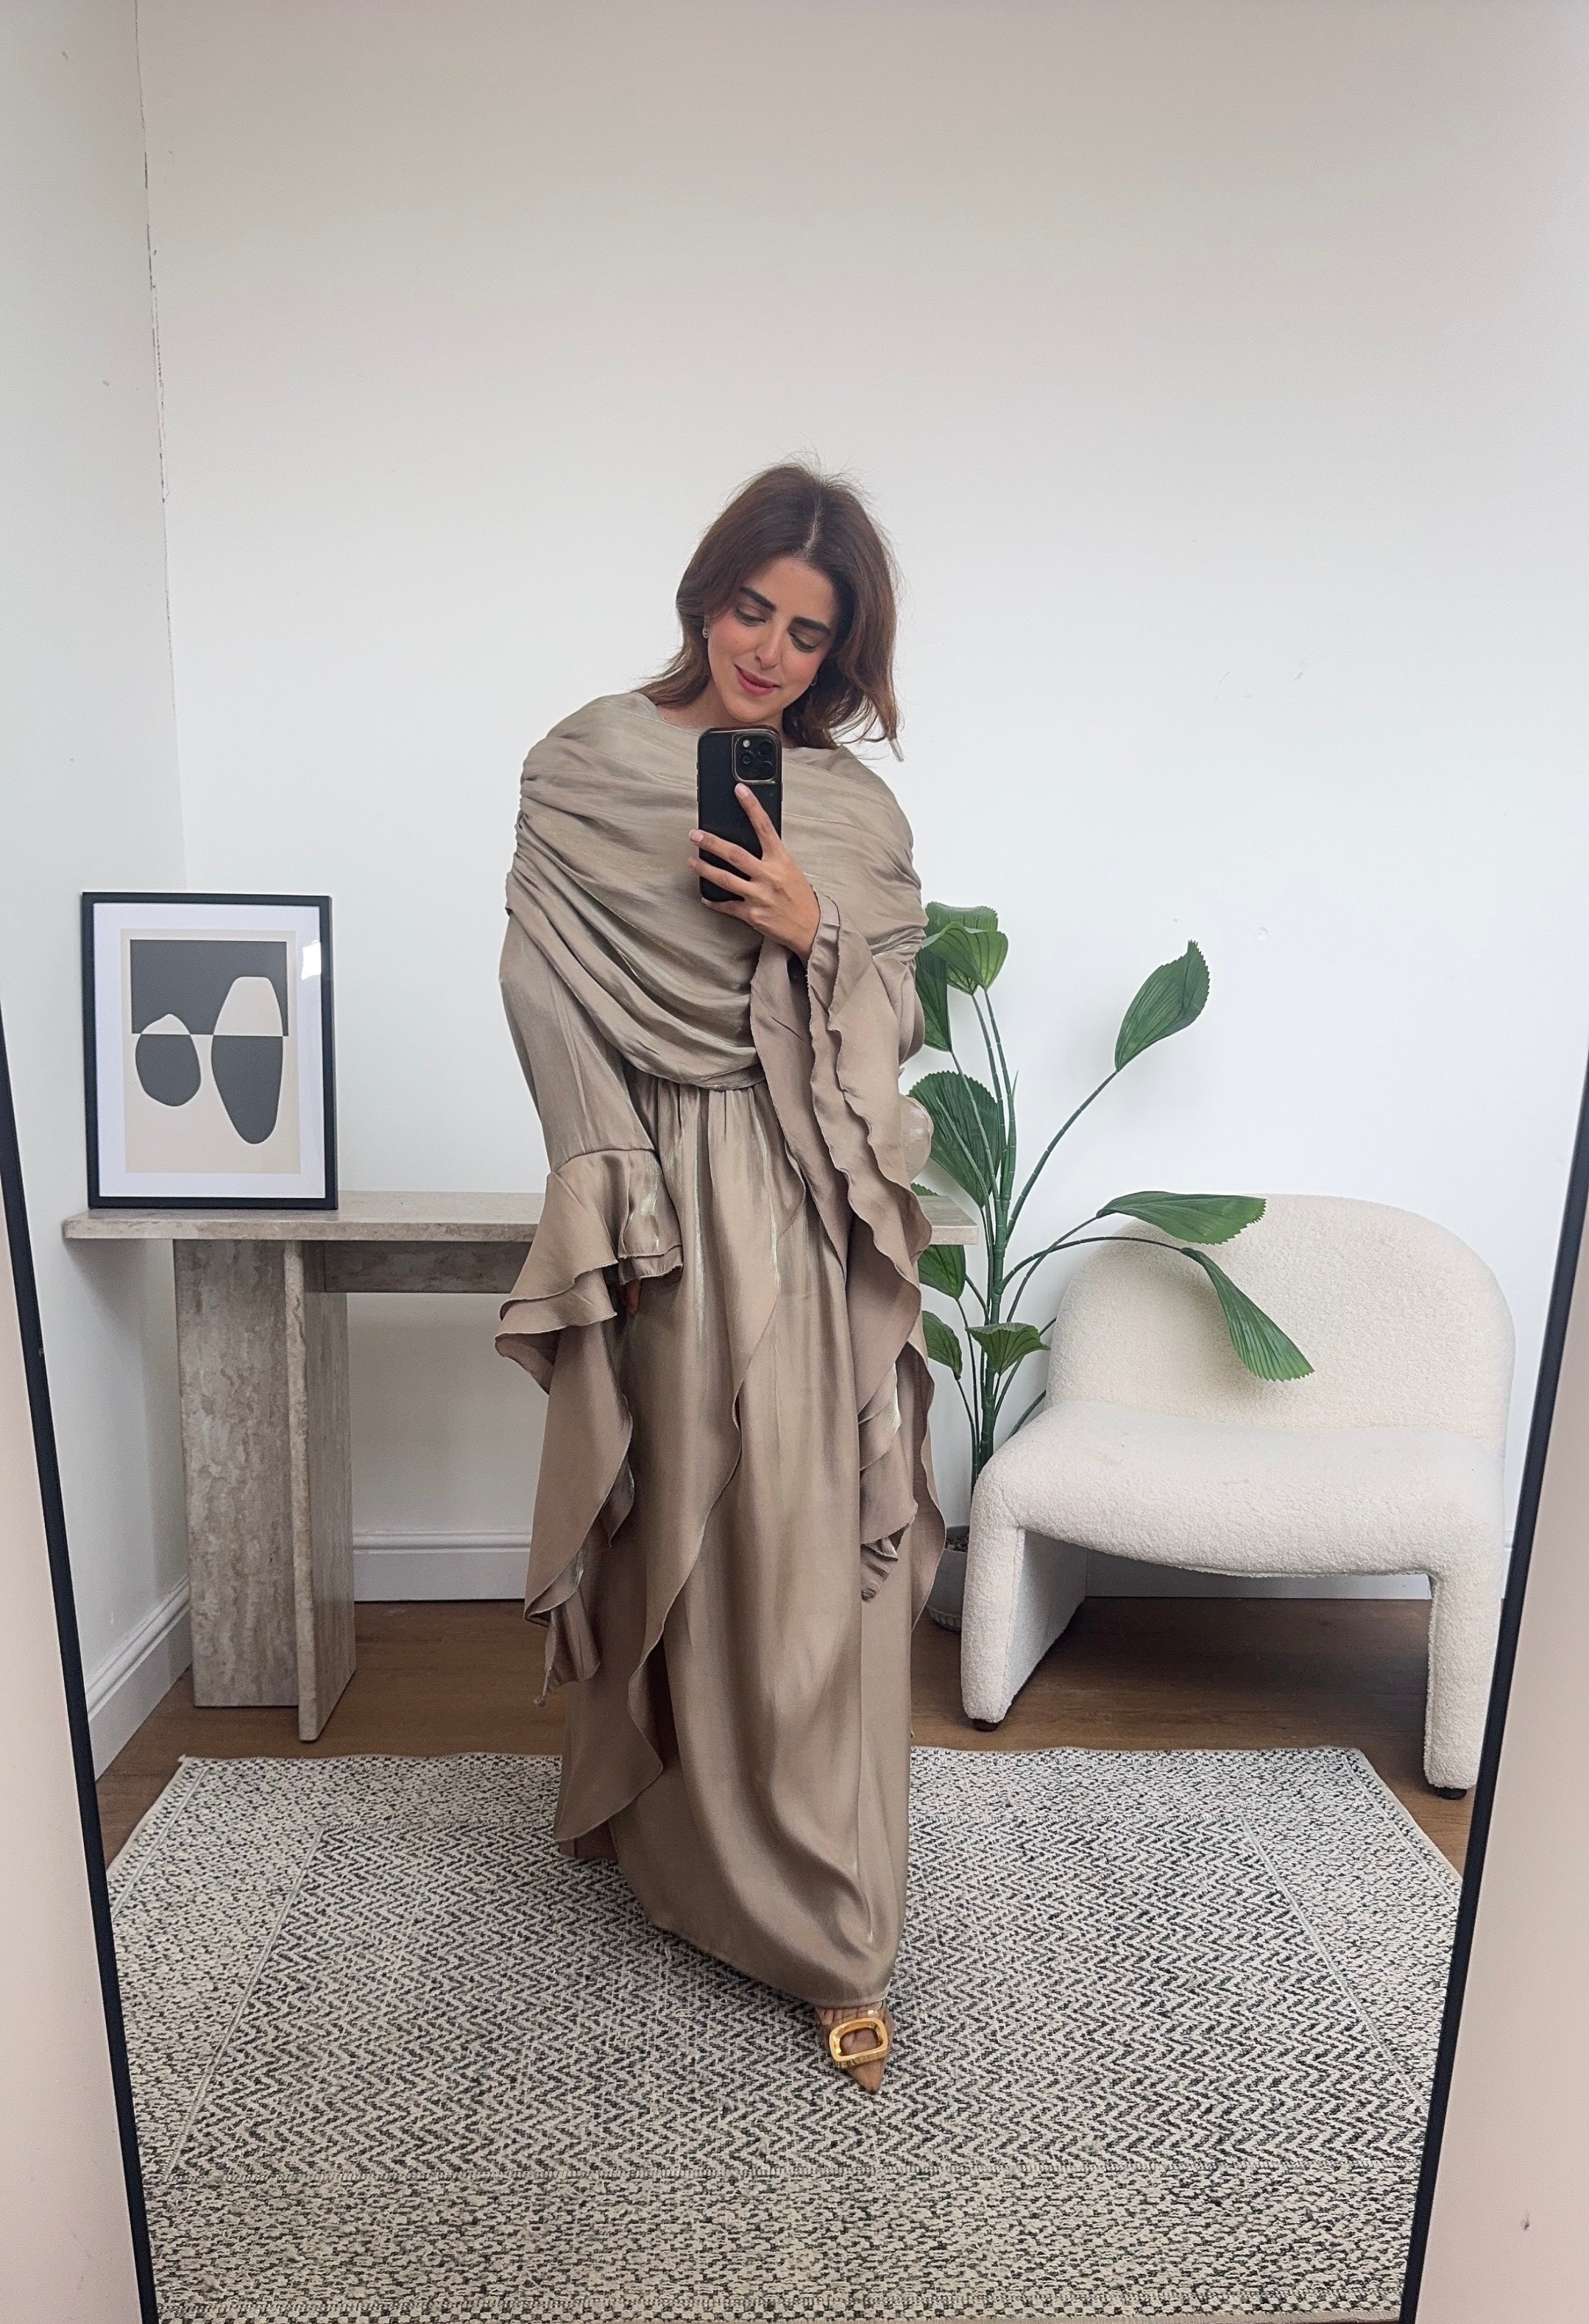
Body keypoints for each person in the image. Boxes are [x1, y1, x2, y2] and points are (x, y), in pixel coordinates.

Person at [495, 464, 942, 2092]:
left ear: (840, 655)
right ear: (707, 593)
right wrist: (611, 1188)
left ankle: (833, 1919)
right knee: (688, 1525)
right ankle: (686, 1853)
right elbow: (540, 983)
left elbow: (893, 1020)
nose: (769, 651)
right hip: (666, 1193)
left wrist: (816, 932)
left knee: (805, 1545)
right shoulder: (586, 765)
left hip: (806, 1193)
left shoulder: (853, 815)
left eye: (808, 633)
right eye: (753, 608)